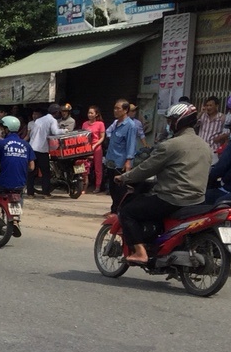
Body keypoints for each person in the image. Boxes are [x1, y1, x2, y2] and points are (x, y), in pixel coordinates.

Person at [115, 102, 211, 265]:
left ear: (179, 121)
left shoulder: (171, 145)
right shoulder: (205, 145)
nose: (169, 124)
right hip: (197, 199)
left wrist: (124, 177)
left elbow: (146, 168)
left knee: (127, 212)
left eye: (170, 121)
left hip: (172, 199)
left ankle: (140, 252)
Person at [102, 99, 141, 210]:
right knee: (112, 187)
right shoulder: (116, 123)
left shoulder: (130, 125)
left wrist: (128, 161)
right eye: (114, 108)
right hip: (111, 160)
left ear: (125, 110)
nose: (115, 110)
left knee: (120, 189)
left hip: (121, 162)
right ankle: (114, 209)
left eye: (118, 108)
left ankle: (118, 211)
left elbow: (131, 144)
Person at [27, 103, 64, 196]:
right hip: (42, 149)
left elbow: (32, 134)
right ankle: (45, 193)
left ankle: (30, 193)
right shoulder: (52, 120)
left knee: (32, 172)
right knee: (45, 172)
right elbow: (55, 132)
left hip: (32, 148)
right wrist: (65, 131)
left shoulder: (38, 120)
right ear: (56, 113)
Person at [81, 105, 106, 194]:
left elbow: (102, 137)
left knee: (97, 168)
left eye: (92, 113)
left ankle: (98, 186)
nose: (90, 115)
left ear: (96, 114)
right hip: (86, 148)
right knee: (84, 167)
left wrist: (95, 145)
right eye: (89, 113)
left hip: (97, 147)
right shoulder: (84, 124)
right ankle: (83, 186)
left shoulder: (100, 124)